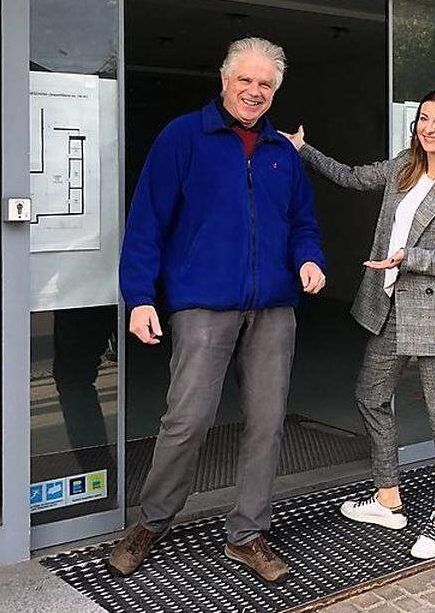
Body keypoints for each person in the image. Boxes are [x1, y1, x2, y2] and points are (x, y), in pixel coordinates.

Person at [108, 37, 326, 584]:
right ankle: (152, 521)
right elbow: (146, 223)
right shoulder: (184, 137)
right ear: (224, 79)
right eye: (245, 80)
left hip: (273, 306)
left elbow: (303, 223)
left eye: (266, 84)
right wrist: (139, 298)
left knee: (267, 422)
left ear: (276, 91)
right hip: (201, 304)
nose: (254, 91)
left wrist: (310, 259)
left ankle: (248, 533)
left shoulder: (281, 151)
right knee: (187, 419)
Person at [282, 88, 435, 560]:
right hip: (391, 306)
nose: (428, 128)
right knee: (370, 396)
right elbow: (353, 177)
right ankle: (388, 497)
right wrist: (303, 150)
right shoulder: (404, 165)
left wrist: (407, 257)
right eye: (422, 119)